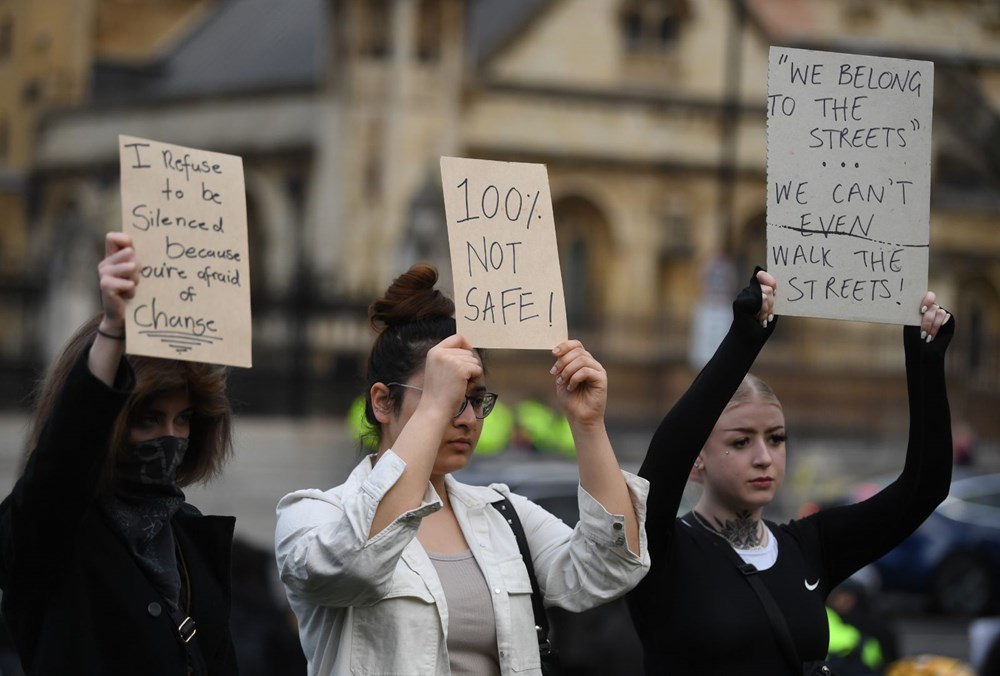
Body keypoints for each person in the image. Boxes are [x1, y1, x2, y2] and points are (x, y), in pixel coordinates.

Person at [274, 263, 649, 676]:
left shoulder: (503, 515)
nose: (469, 418)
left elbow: (608, 569)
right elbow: (355, 565)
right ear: (382, 402)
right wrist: (435, 405)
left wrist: (588, 423)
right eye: (449, 396)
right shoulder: (313, 514)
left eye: (476, 399)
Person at [626, 268, 954, 675]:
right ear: (698, 458)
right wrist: (745, 339)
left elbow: (925, 487)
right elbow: (661, 467)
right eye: (741, 441)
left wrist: (926, 360)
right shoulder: (661, 549)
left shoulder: (810, 546)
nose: (764, 456)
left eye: (776, 438)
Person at [0, 232, 239, 674]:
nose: (171, 437)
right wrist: (113, 331)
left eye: (183, 418)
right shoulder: (53, 531)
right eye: (148, 419)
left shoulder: (188, 537)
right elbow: (61, 467)